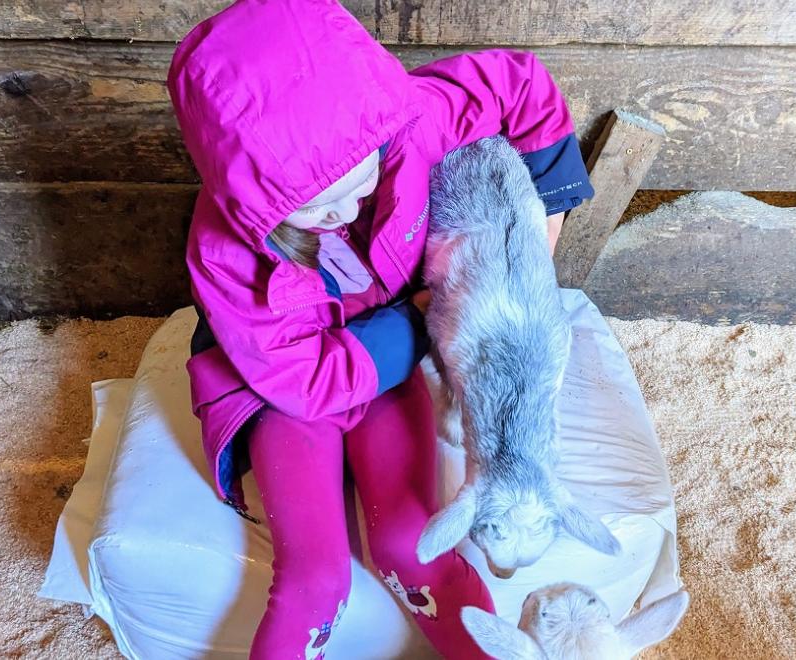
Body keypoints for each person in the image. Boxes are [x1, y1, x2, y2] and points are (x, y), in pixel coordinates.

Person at [166, 1, 595, 657]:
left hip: (387, 381)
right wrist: (422, 322)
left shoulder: (412, 119)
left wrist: (539, 234)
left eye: (361, 176)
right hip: (283, 393)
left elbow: (523, 85)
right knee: (315, 577)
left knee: (408, 542)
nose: (349, 208)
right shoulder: (222, 253)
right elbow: (301, 379)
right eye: (316, 206)